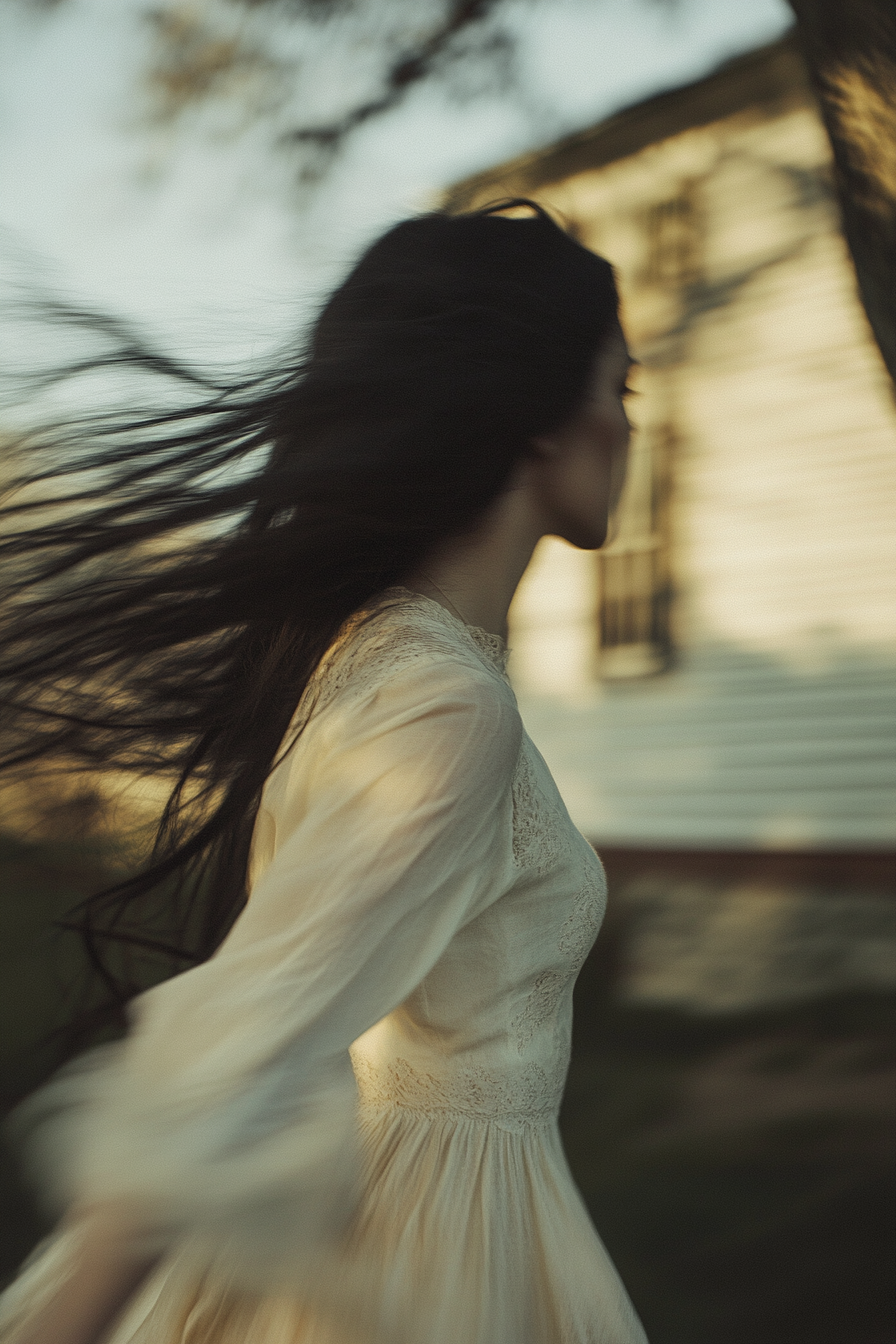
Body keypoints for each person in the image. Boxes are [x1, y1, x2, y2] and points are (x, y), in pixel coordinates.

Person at [0, 201, 646, 1344]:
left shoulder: (373, 656)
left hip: (416, 1219)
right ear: (541, 418)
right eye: (619, 389)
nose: (628, 428)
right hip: (433, 1259)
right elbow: (238, 1050)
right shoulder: (446, 707)